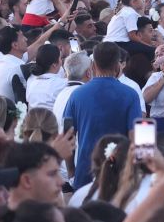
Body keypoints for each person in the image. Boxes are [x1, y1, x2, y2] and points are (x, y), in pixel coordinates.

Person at [61, 43, 144, 189]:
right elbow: (135, 136)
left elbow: (67, 135)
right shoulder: (130, 94)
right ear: (118, 66)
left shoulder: (77, 95)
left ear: (92, 65)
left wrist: (71, 172)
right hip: (120, 172)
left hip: (85, 171)